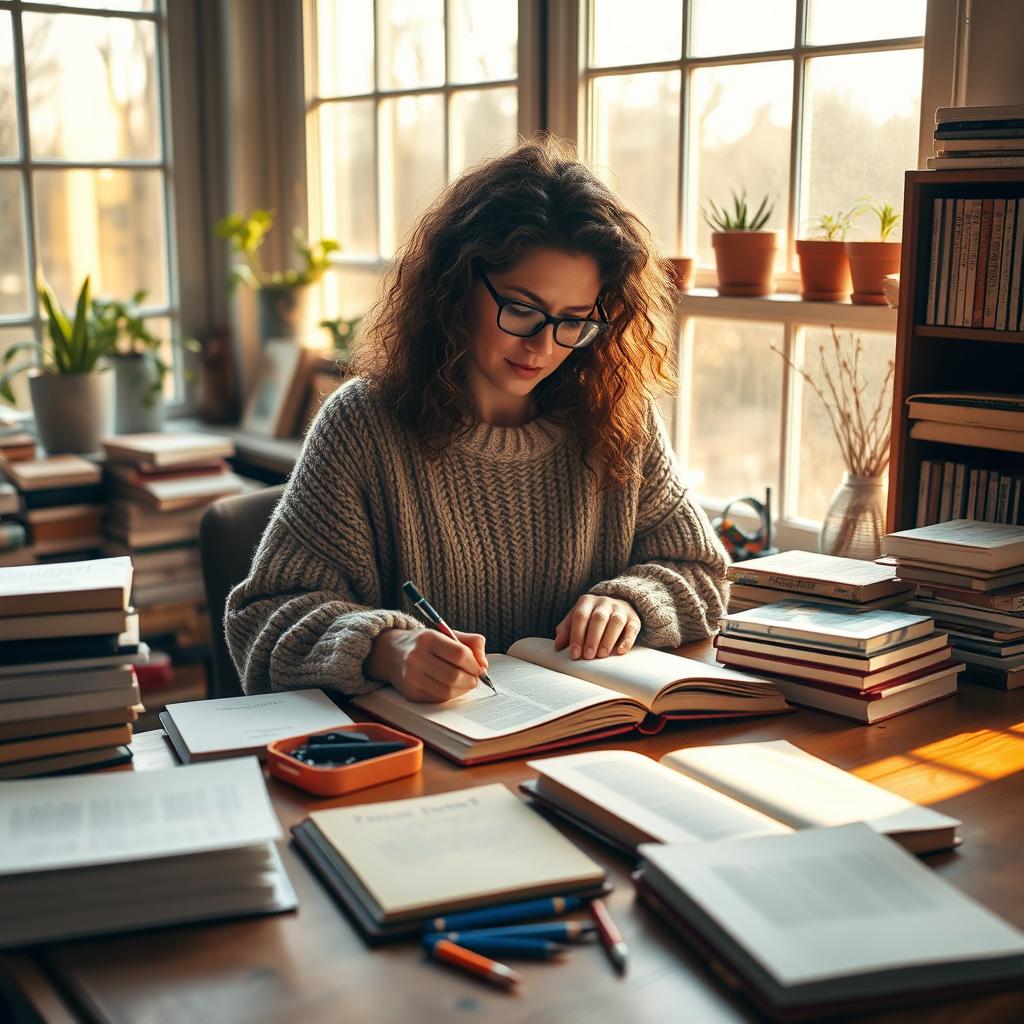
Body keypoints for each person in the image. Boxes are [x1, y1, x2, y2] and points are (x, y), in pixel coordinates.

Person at [225, 136, 729, 701]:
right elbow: (262, 619)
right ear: (458, 285)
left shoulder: (617, 419)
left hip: (590, 743)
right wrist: (386, 649)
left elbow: (702, 572)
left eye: (573, 321)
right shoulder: (364, 426)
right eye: (521, 308)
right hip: (429, 762)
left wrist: (635, 599)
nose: (542, 345)